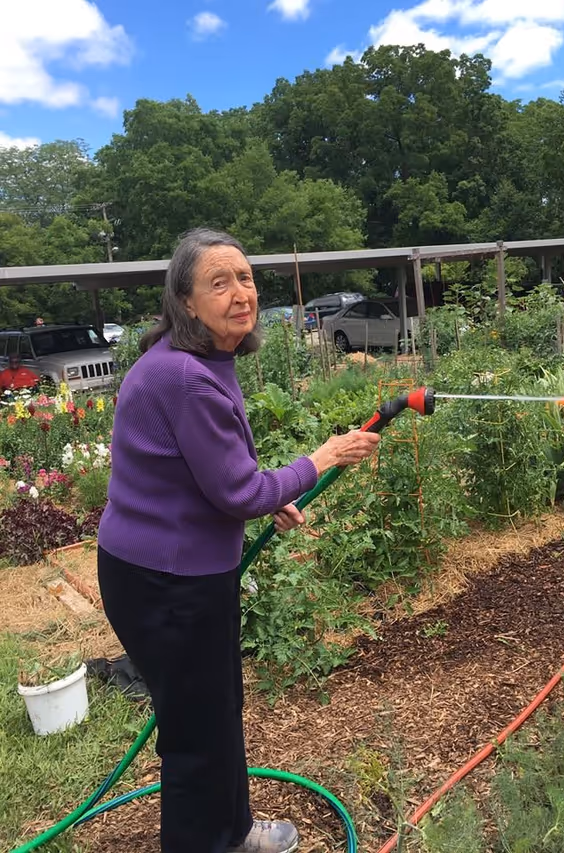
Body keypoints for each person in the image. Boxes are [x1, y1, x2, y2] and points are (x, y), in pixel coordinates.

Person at [97, 228, 380, 853]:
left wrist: (268, 493)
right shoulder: (186, 379)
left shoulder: (197, 363)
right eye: (217, 283)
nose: (239, 292)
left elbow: (211, 476)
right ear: (186, 303)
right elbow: (235, 491)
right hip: (165, 583)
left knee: (217, 713)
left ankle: (233, 832)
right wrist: (318, 459)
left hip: (178, 572)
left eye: (245, 278)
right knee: (198, 735)